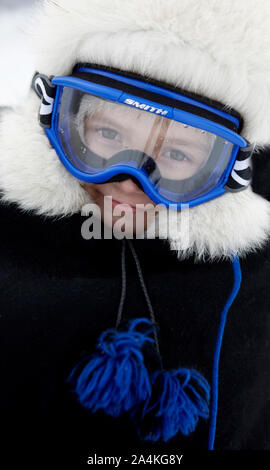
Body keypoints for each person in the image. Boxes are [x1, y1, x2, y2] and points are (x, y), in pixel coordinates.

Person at [0, 0, 270, 465]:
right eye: (107, 135)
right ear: (58, 119)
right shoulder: (12, 236)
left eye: (179, 156)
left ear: (230, 170)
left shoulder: (249, 268)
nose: (129, 178)